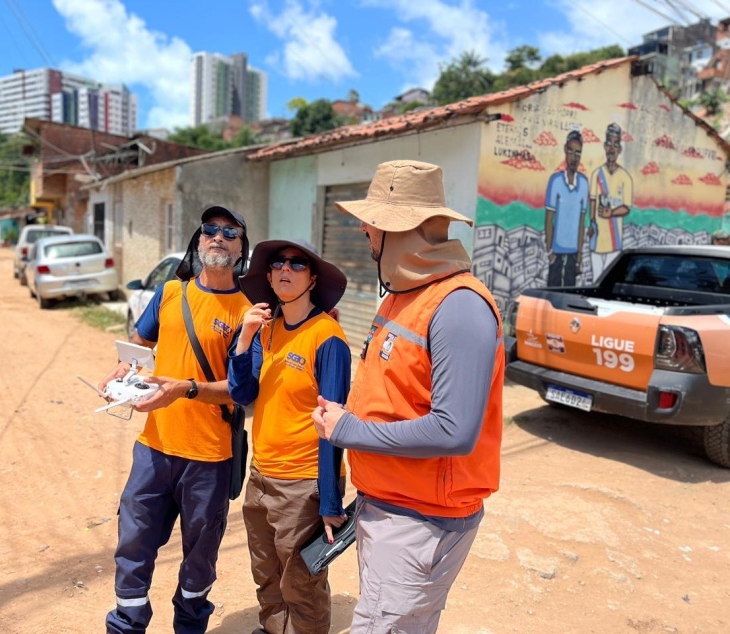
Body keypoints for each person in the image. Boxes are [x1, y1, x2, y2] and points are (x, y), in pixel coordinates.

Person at [311, 160, 505, 633]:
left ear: (399, 229)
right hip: (392, 508)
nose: (363, 229)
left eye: (373, 222)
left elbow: (454, 430)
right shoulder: (404, 296)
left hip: (421, 521)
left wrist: (349, 430)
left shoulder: (459, 305)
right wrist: (350, 414)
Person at [100, 206, 251, 634]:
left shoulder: (248, 311)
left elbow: (242, 391)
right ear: (199, 240)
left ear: (242, 249)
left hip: (210, 457)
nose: (218, 237)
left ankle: (189, 626)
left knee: (200, 559)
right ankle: (126, 625)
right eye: (210, 230)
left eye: (230, 233)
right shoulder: (170, 293)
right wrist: (123, 371)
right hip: (153, 448)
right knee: (132, 545)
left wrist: (185, 388)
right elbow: (139, 345)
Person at [228, 240, 351, 634]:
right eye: (278, 263)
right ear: (267, 276)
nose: (285, 269)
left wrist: (329, 501)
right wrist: (244, 338)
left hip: (303, 483)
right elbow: (242, 393)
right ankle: (273, 628)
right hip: (261, 475)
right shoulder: (267, 330)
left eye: (297, 264)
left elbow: (333, 425)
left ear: (312, 279)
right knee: (266, 572)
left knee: (301, 581)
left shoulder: (327, 337)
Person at [587, 123, 633, 282]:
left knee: (609, 282)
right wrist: (591, 223)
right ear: (605, 146)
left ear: (619, 149)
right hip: (597, 240)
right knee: (596, 281)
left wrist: (611, 213)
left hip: (615, 242)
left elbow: (627, 207)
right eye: (609, 144)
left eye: (615, 144)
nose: (612, 149)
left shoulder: (625, 177)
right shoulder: (596, 174)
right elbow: (592, 201)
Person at [545, 130, 589, 286]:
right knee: (553, 290)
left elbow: (581, 223)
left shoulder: (584, 184)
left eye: (578, 153)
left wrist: (579, 256)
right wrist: (549, 252)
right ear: (565, 150)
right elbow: (549, 220)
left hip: (573, 253)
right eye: (571, 151)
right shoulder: (555, 181)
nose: (574, 157)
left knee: (569, 290)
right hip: (556, 252)